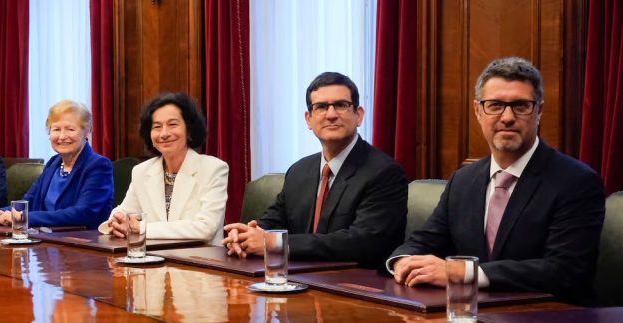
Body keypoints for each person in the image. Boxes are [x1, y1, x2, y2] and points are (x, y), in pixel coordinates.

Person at [388, 57, 605, 305]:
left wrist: (465, 273)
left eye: (521, 106)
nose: (507, 117)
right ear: (477, 111)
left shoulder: (576, 182)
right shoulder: (464, 179)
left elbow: (566, 271)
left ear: (539, 111)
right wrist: (403, 262)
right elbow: (424, 241)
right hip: (470, 312)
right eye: (495, 105)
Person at [223, 72, 408, 266]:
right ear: (308, 119)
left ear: (358, 115)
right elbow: (272, 223)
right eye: (321, 107)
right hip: (297, 278)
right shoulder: (299, 171)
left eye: (341, 105)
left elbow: (363, 242)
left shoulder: (384, 172)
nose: (331, 115)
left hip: (354, 281)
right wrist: (245, 236)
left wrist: (277, 243)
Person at [98, 92, 228, 246]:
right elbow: (124, 212)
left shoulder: (213, 169)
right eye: (157, 127)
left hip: (200, 257)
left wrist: (141, 228)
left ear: (189, 130)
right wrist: (117, 222)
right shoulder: (141, 171)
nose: (164, 133)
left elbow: (205, 228)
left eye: (173, 125)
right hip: (152, 257)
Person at [0, 100, 113, 228]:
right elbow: (29, 201)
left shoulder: (99, 165)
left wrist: (24, 218)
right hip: (45, 236)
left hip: (82, 238)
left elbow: (83, 213)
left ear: (87, 131)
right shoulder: (53, 163)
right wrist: (3, 212)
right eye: (56, 129)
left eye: (70, 129)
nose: (62, 136)